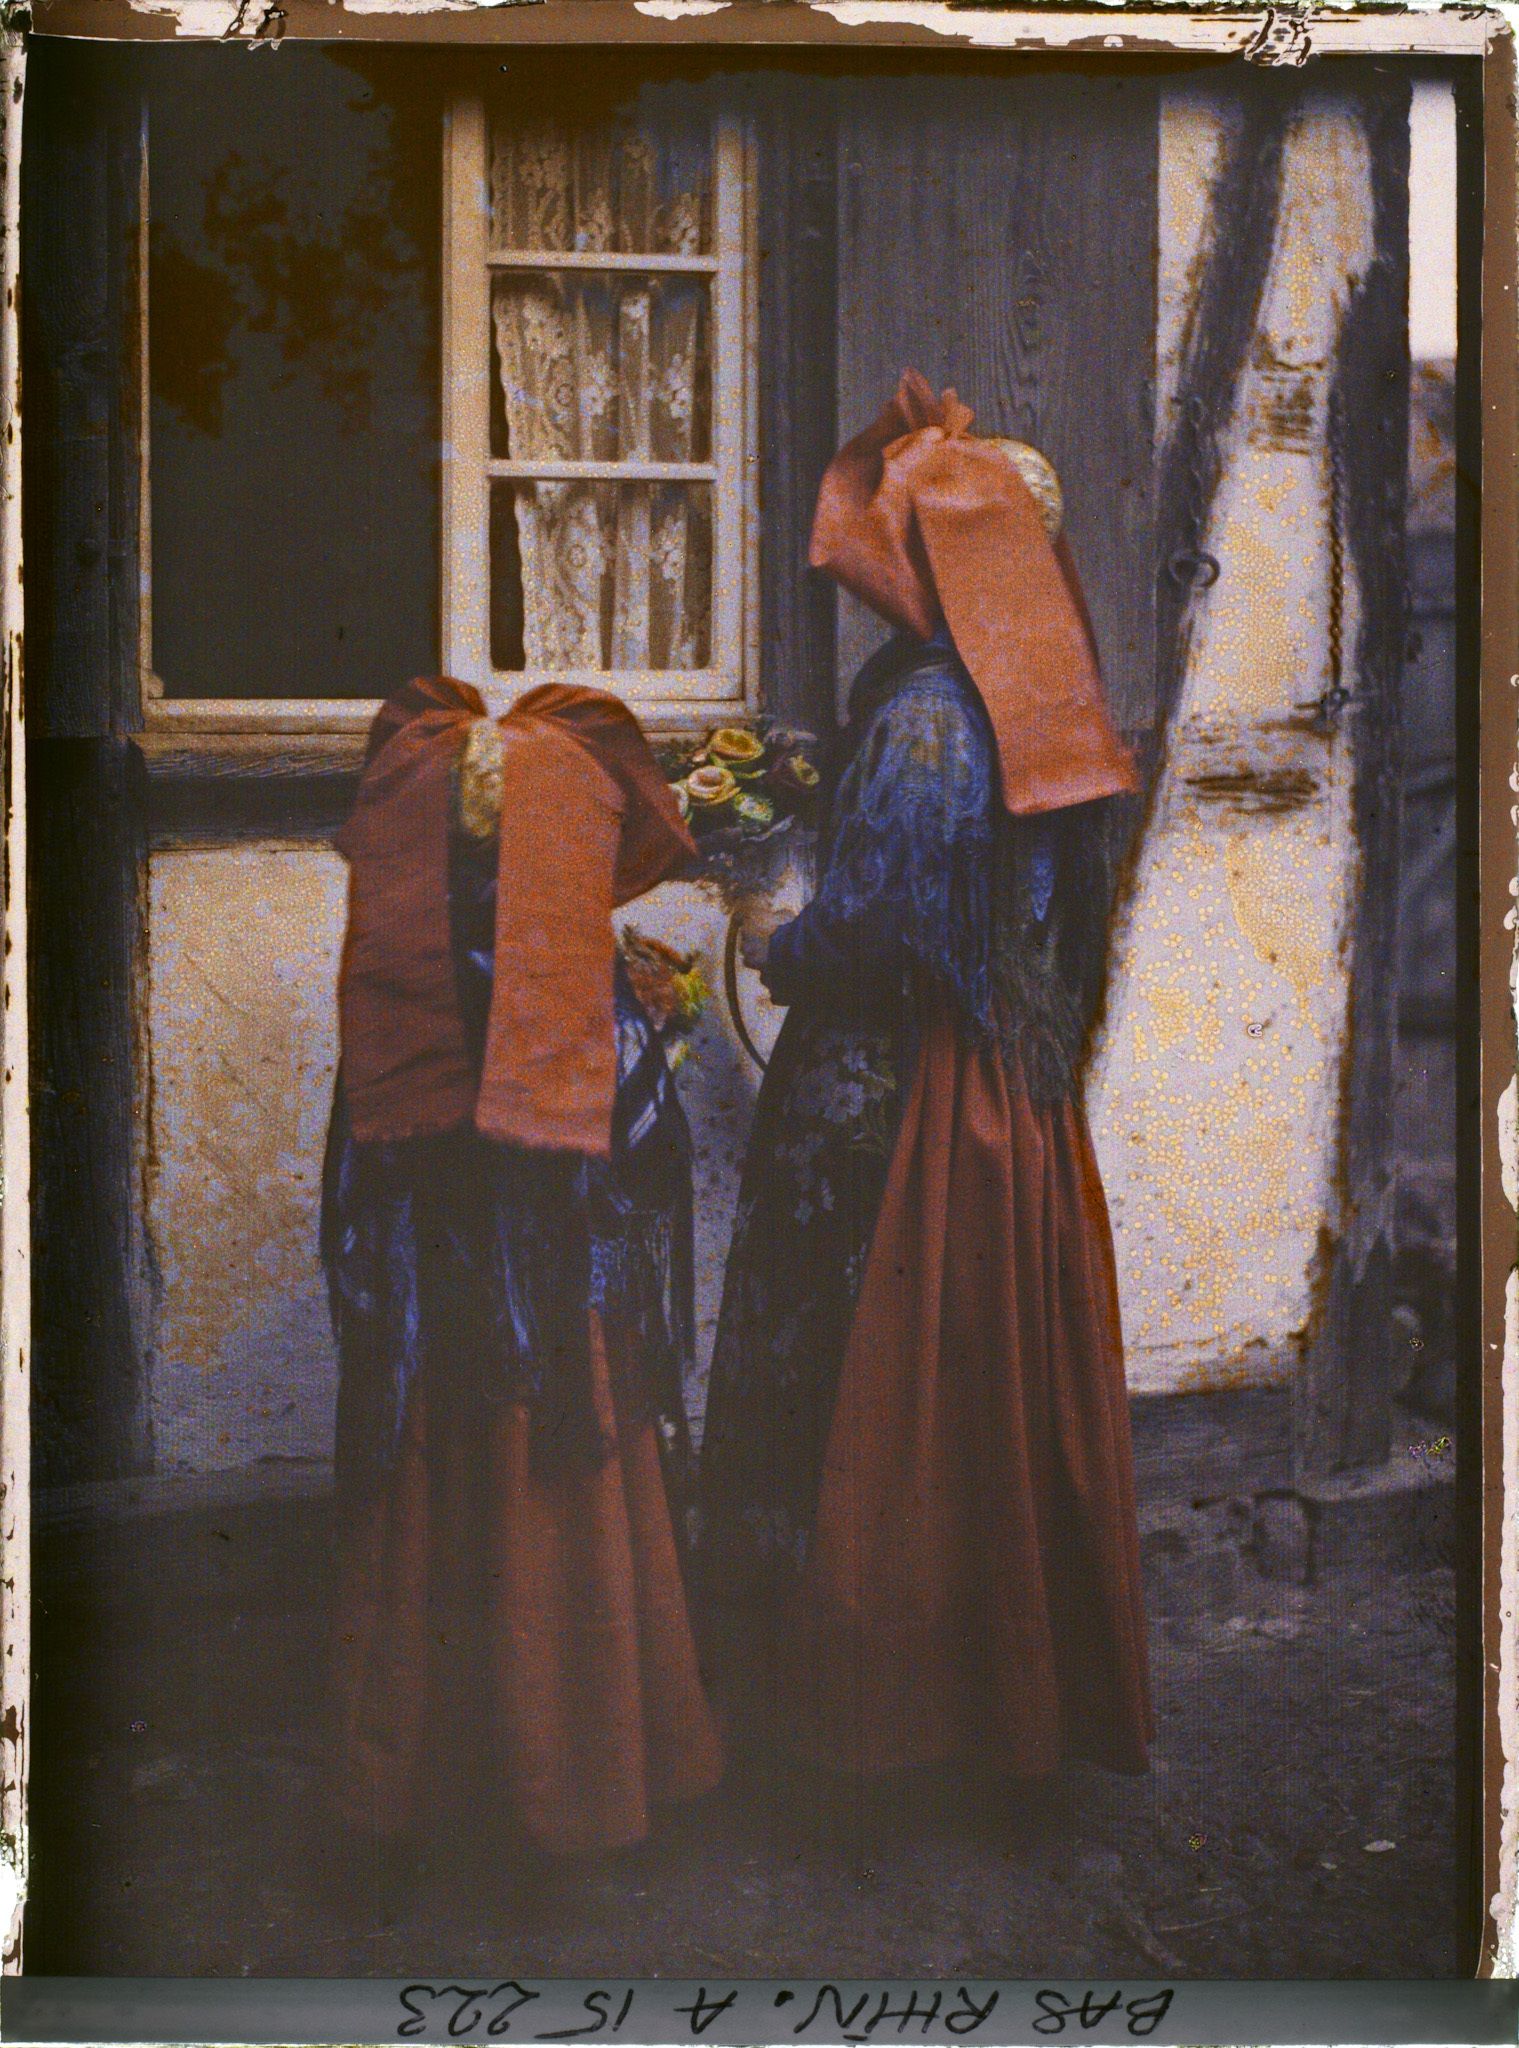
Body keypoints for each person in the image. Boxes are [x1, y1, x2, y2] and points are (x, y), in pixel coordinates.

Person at [697, 371, 1153, 1786]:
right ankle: (984, 1710)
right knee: (973, 1402)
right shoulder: (1036, 690)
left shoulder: (928, 717)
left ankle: (857, 1725)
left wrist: (776, 934)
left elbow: (878, 927)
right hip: (998, 1092)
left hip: (896, 1098)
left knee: (853, 1390)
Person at [320, 675, 723, 1871]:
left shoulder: (396, 972)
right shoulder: (567, 970)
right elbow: (645, 1143)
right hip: (559, 1333)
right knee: (565, 1517)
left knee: (433, 1505)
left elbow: (356, 1161)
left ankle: (423, 1782)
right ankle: (579, 1774)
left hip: (430, 1327)